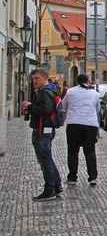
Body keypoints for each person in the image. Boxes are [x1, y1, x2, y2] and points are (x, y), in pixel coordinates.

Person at [21, 68, 63, 201]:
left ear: (45, 77)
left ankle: (49, 190)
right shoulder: (46, 91)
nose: (34, 81)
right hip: (44, 128)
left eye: (36, 78)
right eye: (33, 79)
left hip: (42, 129)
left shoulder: (46, 92)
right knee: (47, 159)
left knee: (45, 161)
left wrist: (30, 107)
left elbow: (46, 110)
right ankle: (56, 186)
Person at [62, 73, 100, 186]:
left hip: (74, 124)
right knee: (90, 151)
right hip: (90, 124)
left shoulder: (70, 92)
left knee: (73, 151)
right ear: (88, 81)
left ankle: (72, 177)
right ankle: (92, 177)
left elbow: (63, 107)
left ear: (76, 81)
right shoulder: (95, 94)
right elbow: (97, 109)